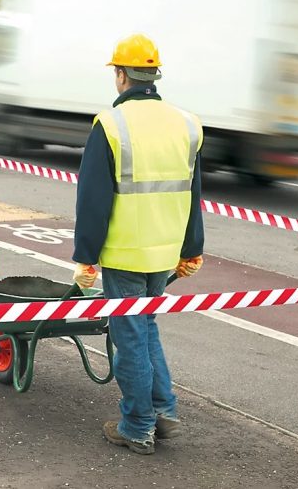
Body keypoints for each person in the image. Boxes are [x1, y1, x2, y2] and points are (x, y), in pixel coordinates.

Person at [72, 34, 204, 455]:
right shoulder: (187, 123)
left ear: (121, 75)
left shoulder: (110, 125)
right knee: (146, 328)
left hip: (126, 251)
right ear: (155, 76)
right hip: (164, 250)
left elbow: (93, 199)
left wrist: (86, 259)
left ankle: (138, 424)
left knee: (128, 334)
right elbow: (192, 191)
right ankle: (163, 411)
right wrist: (191, 248)